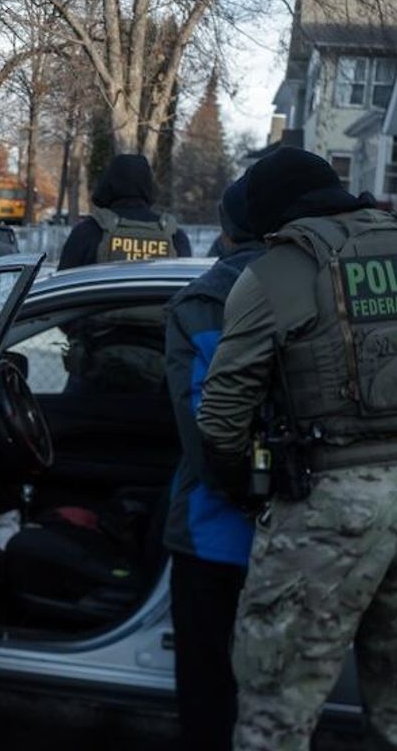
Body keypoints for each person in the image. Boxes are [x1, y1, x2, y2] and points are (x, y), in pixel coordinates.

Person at [196, 147, 397, 750]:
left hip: (329, 513)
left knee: (275, 715)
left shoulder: (276, 274)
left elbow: (221, 420)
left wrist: (241, 489)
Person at [163, 173, 265, 751]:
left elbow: (202, 430)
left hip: (214, 535)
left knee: (207, 691)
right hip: (300, 531)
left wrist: (246, 491)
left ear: (224, 230)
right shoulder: (313, 288)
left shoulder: (202, 301)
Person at [58, 154, 190, 269]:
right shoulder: (175, 237)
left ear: (107, 185)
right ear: (149, 187)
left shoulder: (87, 233)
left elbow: (60, 288)